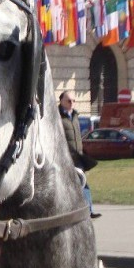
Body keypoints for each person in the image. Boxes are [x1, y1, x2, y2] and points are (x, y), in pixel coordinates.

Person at [59, 91, 100, 219]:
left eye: (73, 101)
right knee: (64, 184)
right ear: (61, 101)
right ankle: (63, 211)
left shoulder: (75, 115)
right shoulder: (57, 116)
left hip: (78, 156)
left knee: (84, 183)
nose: (72, 103)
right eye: (69, 101)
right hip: (64, 157)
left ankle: (89, 210)